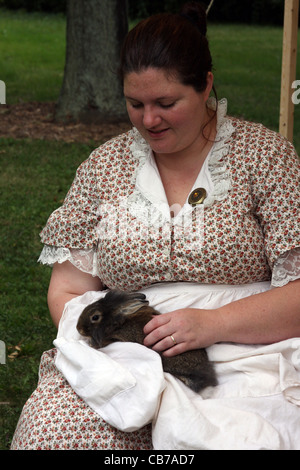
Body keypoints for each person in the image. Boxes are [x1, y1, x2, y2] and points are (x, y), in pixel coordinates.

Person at [11, 2, 300, 450]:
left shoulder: (264, 158)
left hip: (245, 353)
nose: (149, 120)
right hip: (121, 358)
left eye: (166, 103)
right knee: (52, 436)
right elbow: (67, 290)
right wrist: (118, 349)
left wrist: (211, 324)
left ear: (205, 85)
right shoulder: (103, 168)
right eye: (135, 104)